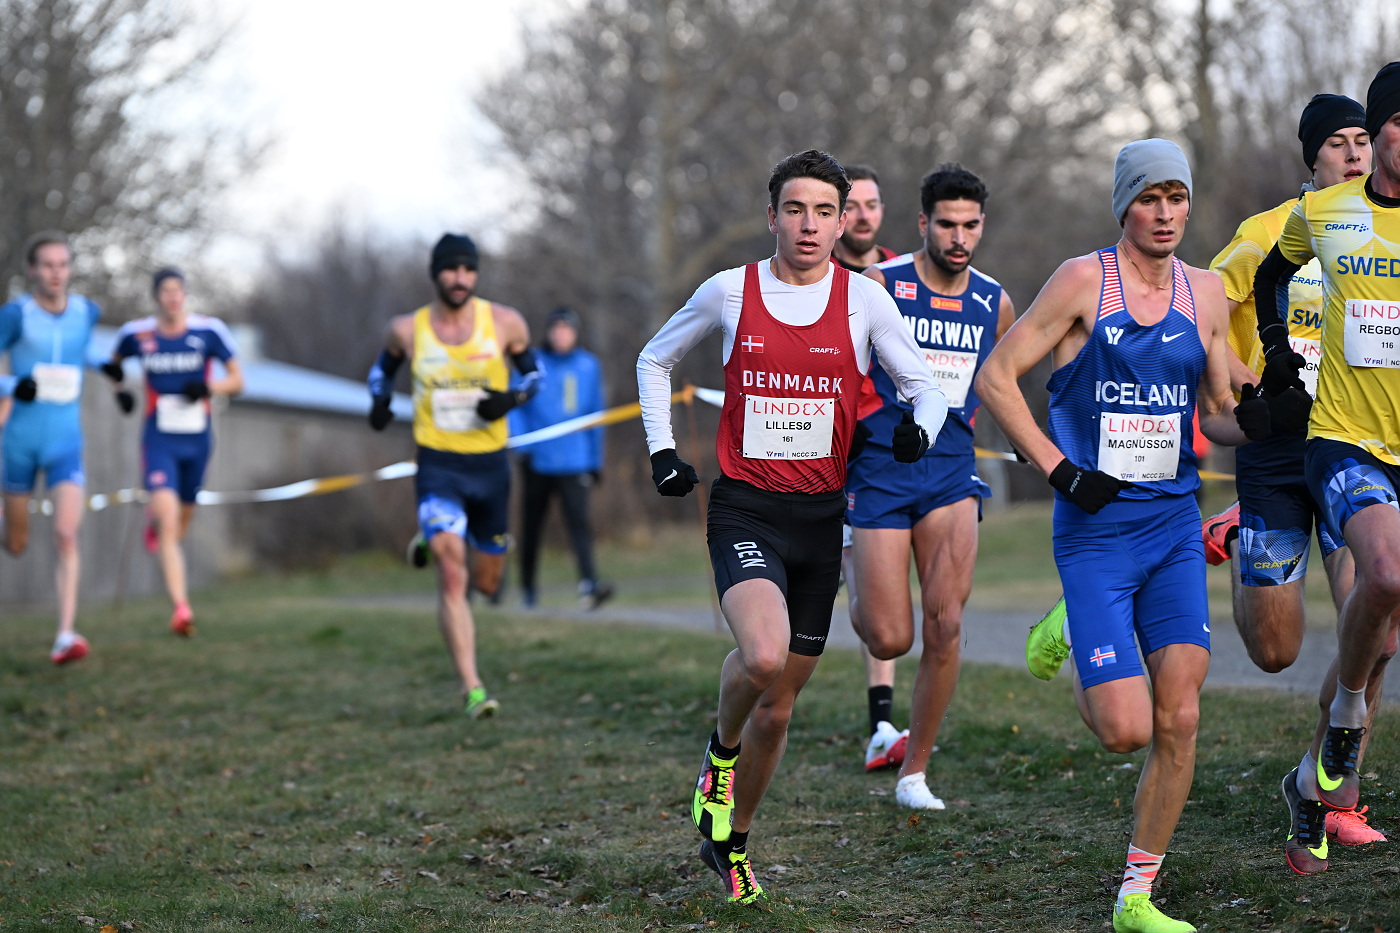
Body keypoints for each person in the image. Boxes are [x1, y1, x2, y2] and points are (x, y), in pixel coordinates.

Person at [637, 149, 946, 905]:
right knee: (764, 654)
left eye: (825, 212)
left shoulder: (864, 301)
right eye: (796, 210)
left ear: (845, 221)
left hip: (820, 520)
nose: (810, 226)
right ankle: (718, 752)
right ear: (772, 216)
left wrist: (920, 431)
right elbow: (654, 360)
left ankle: (732, 841)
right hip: (745, 506)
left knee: (781, 704)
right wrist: (662, 452)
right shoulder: (729, 291)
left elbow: (924, 387)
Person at [976, 139, 1269, 932]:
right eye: (1150, 197)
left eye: (1177, 196)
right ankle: (1073, 620)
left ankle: (1135, 897)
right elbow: (996, 379)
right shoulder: (1082, 281)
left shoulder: (1206, 293)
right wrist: (1058, 469)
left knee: (1180, 716)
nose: (1166, 212)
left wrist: (1259, 421)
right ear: (1124, 206)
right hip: (1095, 530)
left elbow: (1213, 414)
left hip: (1173, 526)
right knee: (1125, 728)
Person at [1202, 95, 1385, 849]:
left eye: (1362, 140)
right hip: (1278, 445)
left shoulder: (1381, 226)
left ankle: (1328, 788)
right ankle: (1241, 538)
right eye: (1338, 143)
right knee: (1276, 650)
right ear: (1312, 158)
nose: (1354, 153)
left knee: (1376, 617)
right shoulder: (1272, 230)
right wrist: (1245, 380)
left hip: (1354, 441)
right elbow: (1205, 302)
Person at [1253, 62, 1400, 877]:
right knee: (1382, 574)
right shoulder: (1325, 211)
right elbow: (1270, 273)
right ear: (1377, 131)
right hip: (1343, 439)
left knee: (1383, 633)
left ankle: (1310, 786)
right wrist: (1275, 350)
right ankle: (1346, 716)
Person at [848, 163, 1014, 808]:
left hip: (950, 472)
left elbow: (1007, 382)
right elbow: (840, 373)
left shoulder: (993, 299)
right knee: (889, 636)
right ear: (922, 223)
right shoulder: (877, 284)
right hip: (881, 474)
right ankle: (852, 557)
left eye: (971, 225)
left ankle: (913, 773)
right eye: (946, 224)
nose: (959, 237)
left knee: (945, 624)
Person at [367, 233, 539, 718]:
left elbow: (534, 374)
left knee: (486, 582)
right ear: (435, 274)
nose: (459, 279)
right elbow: (379, 372)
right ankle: (473, 687)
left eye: (467, 270)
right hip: (438, 463)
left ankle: (433, 535)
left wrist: (511, 399)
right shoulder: (407, 329)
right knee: (450, 567)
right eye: (450, 270)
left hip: (490, 467)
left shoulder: (504, 322)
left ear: (476, 274)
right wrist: (379, 400)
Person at [104, 268, 243, 636]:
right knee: (169, 523)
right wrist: (121, 392)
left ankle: (160, 528)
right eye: (165, 291)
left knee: (181, 521)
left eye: (178, 290)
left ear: (185, 295)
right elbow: (112, 363)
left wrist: (209, 388)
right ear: (155, 296)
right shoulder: (137, 334)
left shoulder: (208, 331)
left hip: (197, 441)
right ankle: (181, 609)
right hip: (159, 440)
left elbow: (238, 379)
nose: (172, 297)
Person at [829, 163, 906, 771]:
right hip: (809, 453)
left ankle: (881, 723)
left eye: (872, 205)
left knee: (874, 597)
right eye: (850, 205)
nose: (862, 216)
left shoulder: (901, 277)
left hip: (876, 455)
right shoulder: (806, 276)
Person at [0, 232, 103, 664]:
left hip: (65, 443)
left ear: (70, 269)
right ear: (32, 270)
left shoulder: (87, 312)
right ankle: (9, 519)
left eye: (62, 265)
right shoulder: (15, 315)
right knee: (18, 543)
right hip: (19, 444)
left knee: (65, 532)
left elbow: (86, 354)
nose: (55, 273)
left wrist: (115, 372)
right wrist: (10, 385)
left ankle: (65, 634)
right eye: (47, 265)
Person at [509, 305, 612, 609]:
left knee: (579, 523)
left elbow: (596, 412)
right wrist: (522, 448)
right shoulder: (531, 362)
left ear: (575, 333)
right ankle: (528, 589)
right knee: (532, 525)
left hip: (576, 460)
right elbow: (515, 405)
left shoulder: (588, 365)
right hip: (537, 460)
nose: (560, 334)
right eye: (555, 328)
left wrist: (595, 460)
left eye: (566, 329)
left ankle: (590, 585)